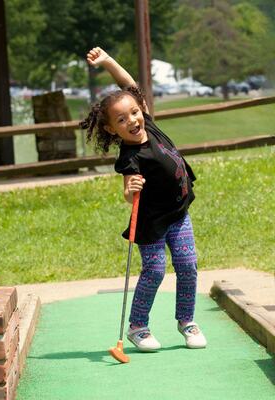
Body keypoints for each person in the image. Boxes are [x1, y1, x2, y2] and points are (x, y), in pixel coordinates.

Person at [80, 47, 207, 351]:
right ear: (112, 129)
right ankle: (138, 327)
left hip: (178, 213)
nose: (132, 120)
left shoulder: (149, 123)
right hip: (151, 222)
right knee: (155, 270)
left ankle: (186, 322)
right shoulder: (129, 156)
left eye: (134, 112)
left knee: (188, 265)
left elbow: (129, 85)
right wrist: (130, 190)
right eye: (122, 120)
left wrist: (108, 62)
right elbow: (127, 191)